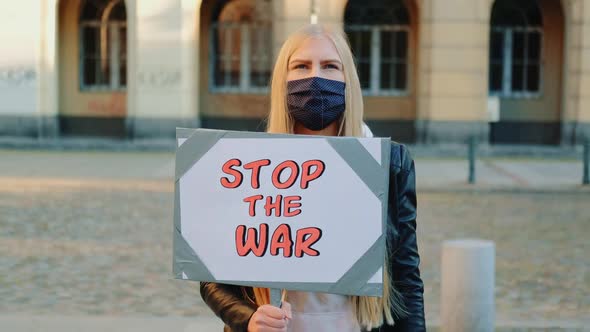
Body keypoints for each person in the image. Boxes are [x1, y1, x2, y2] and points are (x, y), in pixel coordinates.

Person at [200, 23, 425, 332]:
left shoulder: (389, 164)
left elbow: (405, 276)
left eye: (330, 66)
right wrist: (247, 317)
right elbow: (213, 275)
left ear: (348, 79)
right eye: (301, 66)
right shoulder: (250, 167)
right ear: (283, 79)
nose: (315, 77)